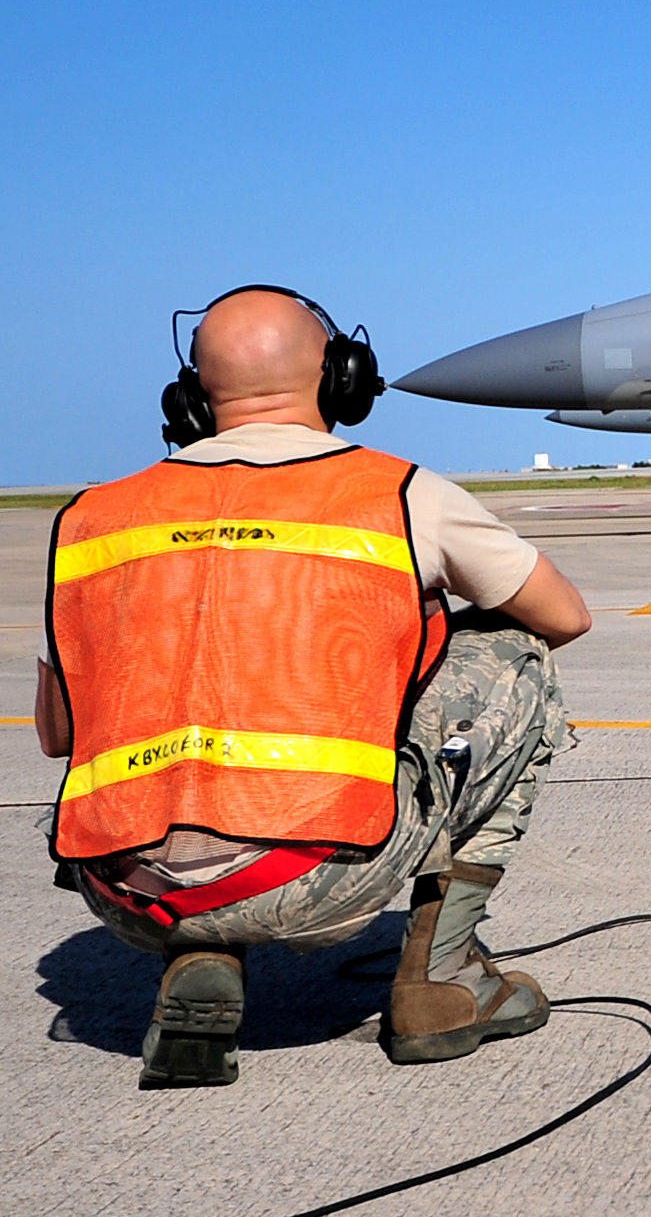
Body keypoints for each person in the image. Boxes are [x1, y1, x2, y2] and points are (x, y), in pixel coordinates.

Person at [35, 286, 593, 1087]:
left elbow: (59, 733)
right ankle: (442, 981)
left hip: (127, 892)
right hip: (317, 877)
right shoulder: (397, 494)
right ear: (343, 377)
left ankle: (204, 950)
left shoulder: (90, 519)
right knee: (515, 651)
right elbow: (564, 614)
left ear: (192, 396)